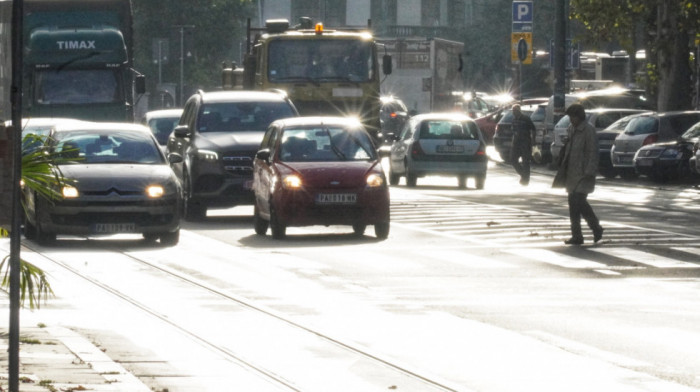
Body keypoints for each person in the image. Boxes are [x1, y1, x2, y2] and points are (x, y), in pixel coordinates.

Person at [554, 103, 604, 245]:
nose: (571, 120)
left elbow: (593, 152)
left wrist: (590, 171)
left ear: (579, 117)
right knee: (573, 204)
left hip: (584, 174)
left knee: (579, 201)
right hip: (571, 173)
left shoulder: (588, 130)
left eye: (573, 117)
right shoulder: (571, 129)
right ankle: (577, 235)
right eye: (570, 117)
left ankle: (595, 227)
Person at [509, 104, 537, 185]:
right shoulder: (514, 119)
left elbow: (533, 129)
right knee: (513, 160)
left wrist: (533, 140)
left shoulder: (526, 119)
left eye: (515, 111)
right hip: (516, 143)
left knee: (525, 161)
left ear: (518, 111)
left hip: (525, 142)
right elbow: (513, 132)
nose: (513, 112)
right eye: (513, 111)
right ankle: (523, 174)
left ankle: (526, 179)